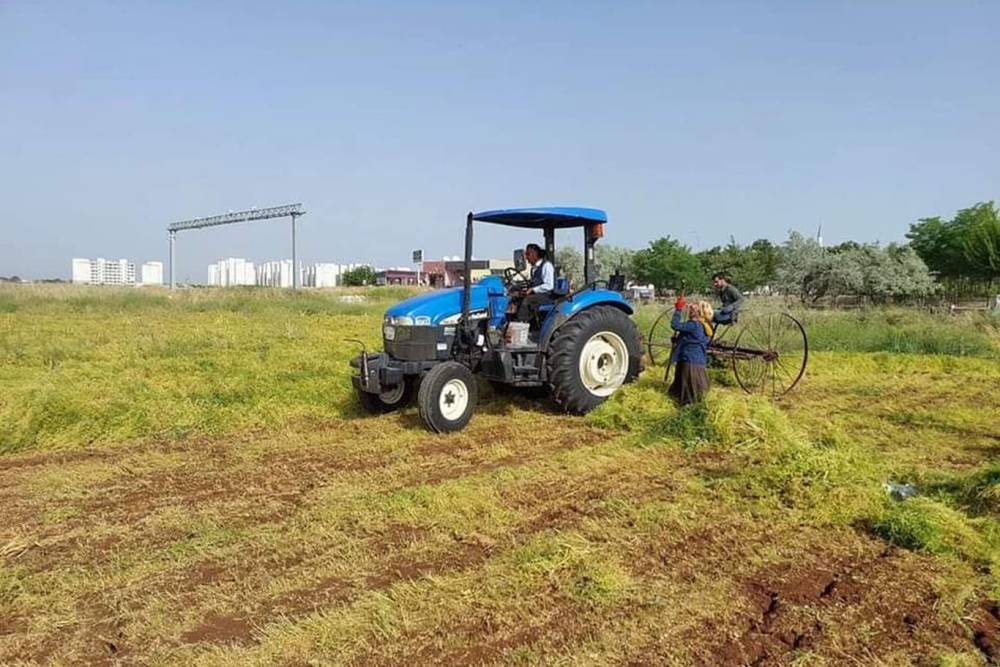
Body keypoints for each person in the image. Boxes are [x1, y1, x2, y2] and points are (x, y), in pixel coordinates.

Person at [668, 295, 714, 406]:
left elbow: (675, 325)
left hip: (690, 361)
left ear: (699, 312)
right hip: (696, 361)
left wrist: (678, 309)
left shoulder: (694, 325)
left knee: (688, 394)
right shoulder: (704, 326)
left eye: (695, 306)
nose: (691, 307)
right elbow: (691, 338)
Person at [515, 243, 555, 322]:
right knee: (515, 298)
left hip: (547, 296)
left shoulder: (547, 265)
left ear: (534, 254)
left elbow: (549, 285)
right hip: (538, 296)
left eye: (528, 254)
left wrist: (533, 289)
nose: (526, 258)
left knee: (527, 300)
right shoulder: (534, 268)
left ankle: (521, 325)